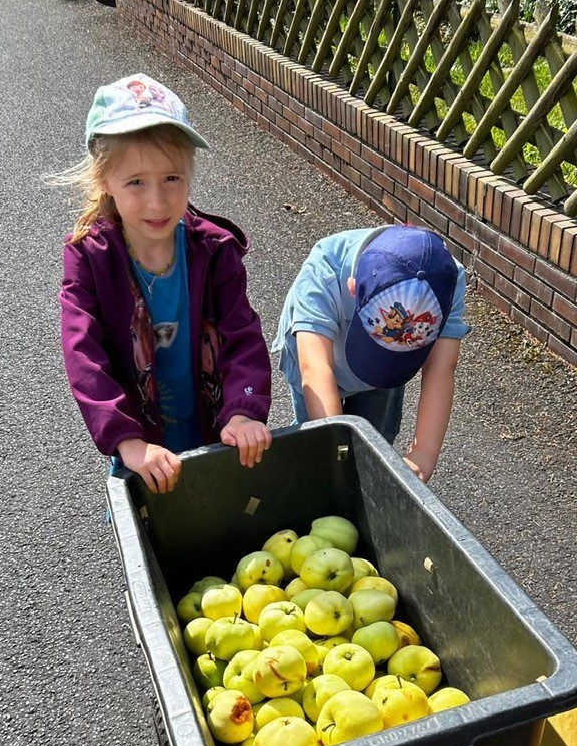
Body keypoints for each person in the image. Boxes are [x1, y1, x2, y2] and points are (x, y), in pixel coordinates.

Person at [57, 74, 272, 494]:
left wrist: (243, 410)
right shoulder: (90, 257)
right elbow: (82, 352)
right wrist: (128, 441)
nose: (157, 201)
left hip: (213, 430)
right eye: (136, 182)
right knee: (153, 535)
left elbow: (241, 334)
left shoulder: (214, 252)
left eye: (172, 178)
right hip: (141, 444)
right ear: (105, 182)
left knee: (216, 519)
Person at [273, 225, 469, 482]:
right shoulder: (324, 271)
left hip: (388, 370)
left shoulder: (447, 281)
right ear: (353, 288)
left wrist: (422, 456)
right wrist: (338, 455)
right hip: (319, 356)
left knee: (375, 440)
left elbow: (440, 368)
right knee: (318, 447)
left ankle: (363, 478)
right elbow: (316, 369)